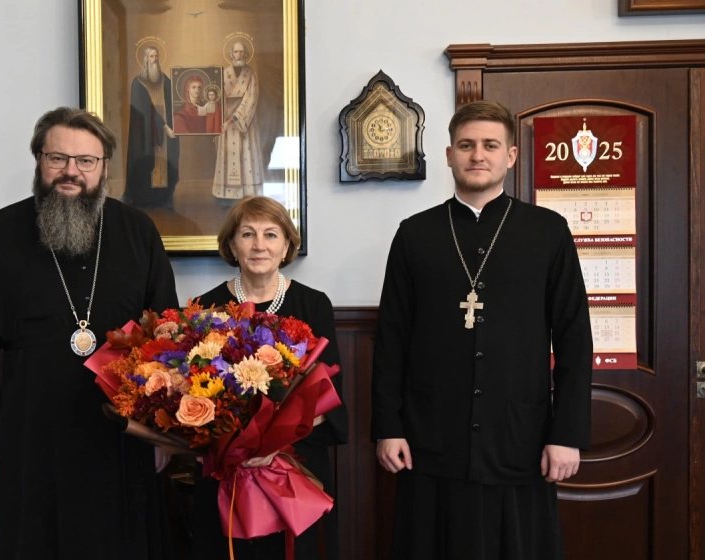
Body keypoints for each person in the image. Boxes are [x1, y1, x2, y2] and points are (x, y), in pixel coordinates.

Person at [0, 107, 180, 559]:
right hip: (29, 430)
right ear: (40, 160)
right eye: (58, 158)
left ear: (105, 168)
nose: (70, 171)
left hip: (121, 432)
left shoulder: (138, 232)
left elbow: (166, 335)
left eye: (86, 161)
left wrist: (161, 433)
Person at [371, 100, 593, 560]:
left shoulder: (548, 231)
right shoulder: (414, 234)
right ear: (449, 154)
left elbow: (574, 340)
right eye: (466, 145)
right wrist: (387, 426)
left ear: (510, 156)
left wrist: (567, 433)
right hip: (431, 436)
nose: (478, 155)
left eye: (490, 145)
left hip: (520, 435)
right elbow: (392, 340)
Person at [191, 196, 348, 560]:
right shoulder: (206, 307)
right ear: (232, 245)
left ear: (287, 246)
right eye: (247, 234)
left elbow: (328, 393)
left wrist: (271, 445)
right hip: (227, 471)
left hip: (295, 464)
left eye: (271, 234)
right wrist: (236, 448)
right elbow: (193, 389)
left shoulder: (314, 305)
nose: (259, 245)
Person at [125, 45, 180, 210]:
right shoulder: (138, 83)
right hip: (146, 132)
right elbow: (144, 110)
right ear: (145, 60)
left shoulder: (166, 81)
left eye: (156, 56)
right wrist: (162, 125)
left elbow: (176, 105)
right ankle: (146, 197)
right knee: (149, 162)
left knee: (166, 163)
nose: (154, 59)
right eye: (151, 57)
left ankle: (164, 198)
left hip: (165, 130)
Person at [212, 41, 264, 204]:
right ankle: (225, 198)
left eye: (241, 52)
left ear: (246, 54)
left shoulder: (251, 74)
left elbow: (251, 98)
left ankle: (246, 195)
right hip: (225, 122)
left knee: (245, 156)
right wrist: (220, 118)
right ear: (231, 54)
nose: (239, 55)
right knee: (226, 156)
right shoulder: (224, 73)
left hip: (244, 124)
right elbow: (217, 97)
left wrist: (233, 119)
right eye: (236, 52)